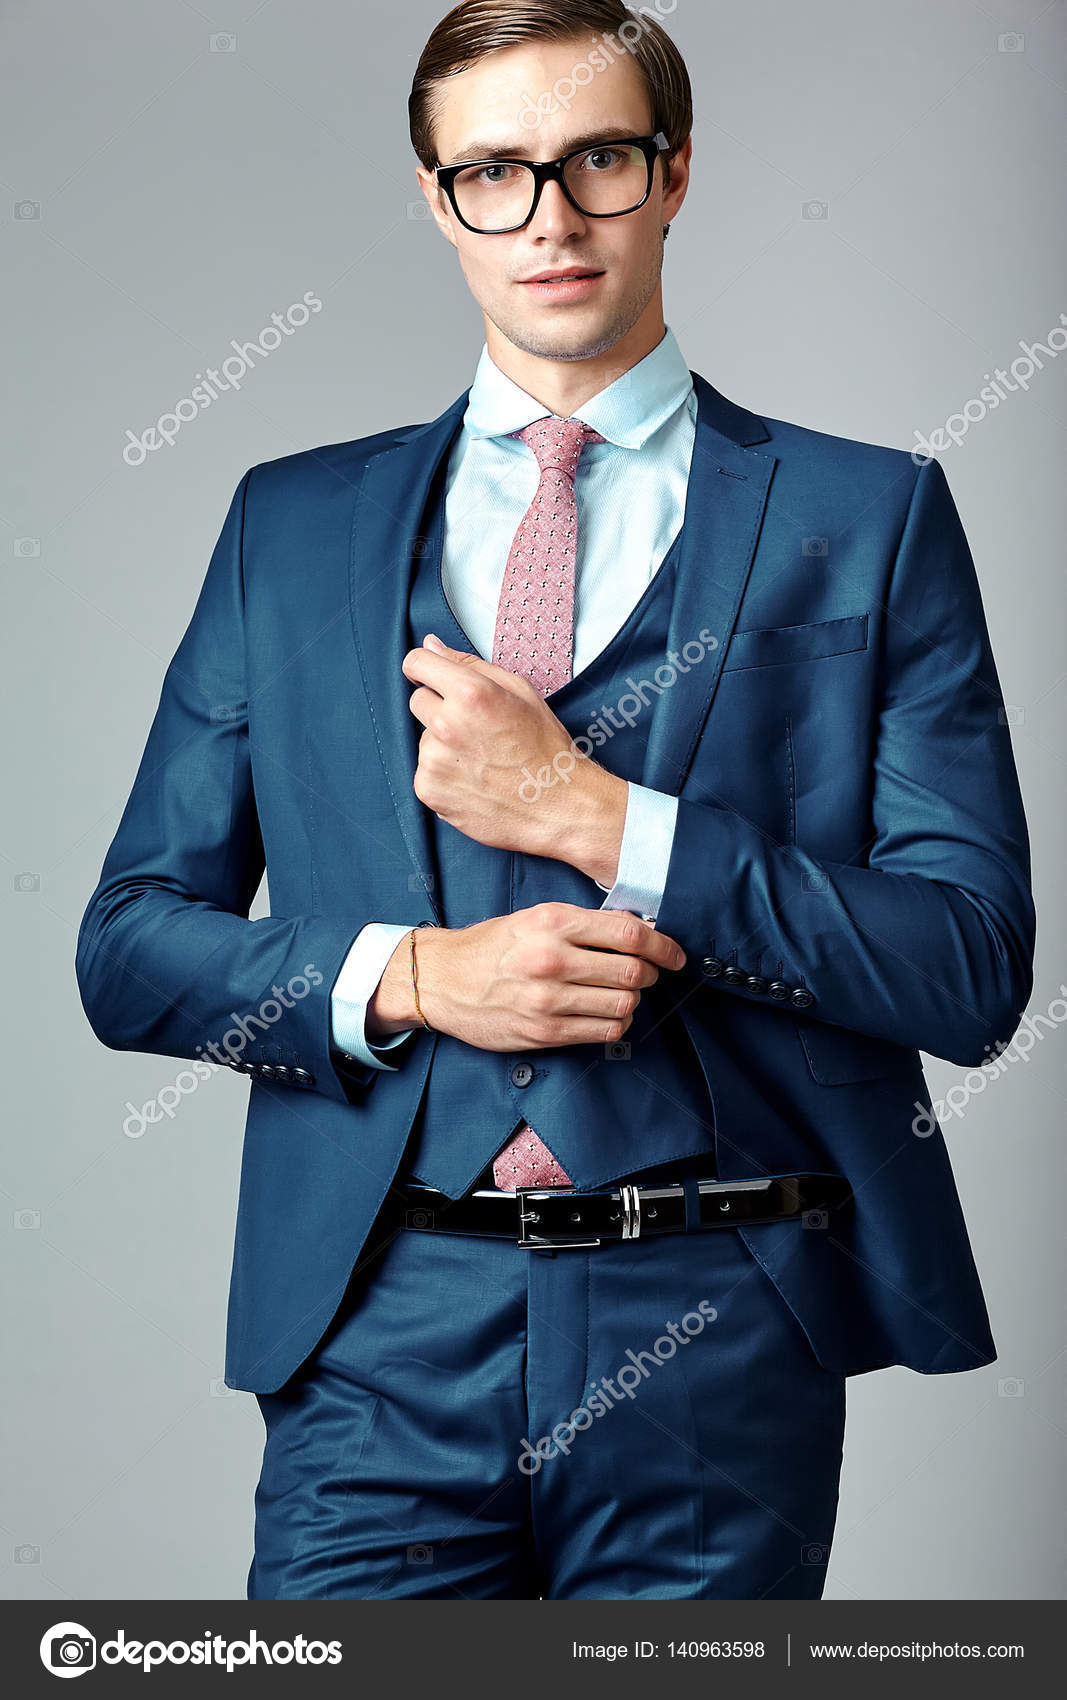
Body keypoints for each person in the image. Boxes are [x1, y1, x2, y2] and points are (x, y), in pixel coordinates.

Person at [76, 0, 1035, 1600]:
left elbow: (968, 968)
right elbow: (126, 948)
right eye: (493, 173)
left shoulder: (869, 514)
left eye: (596, 160)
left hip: (720, 1320)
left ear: (673, 175)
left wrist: (603, 819)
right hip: (379, 1332)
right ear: (437, 196)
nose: (549, 220)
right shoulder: (288, 527)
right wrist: (414, 976)